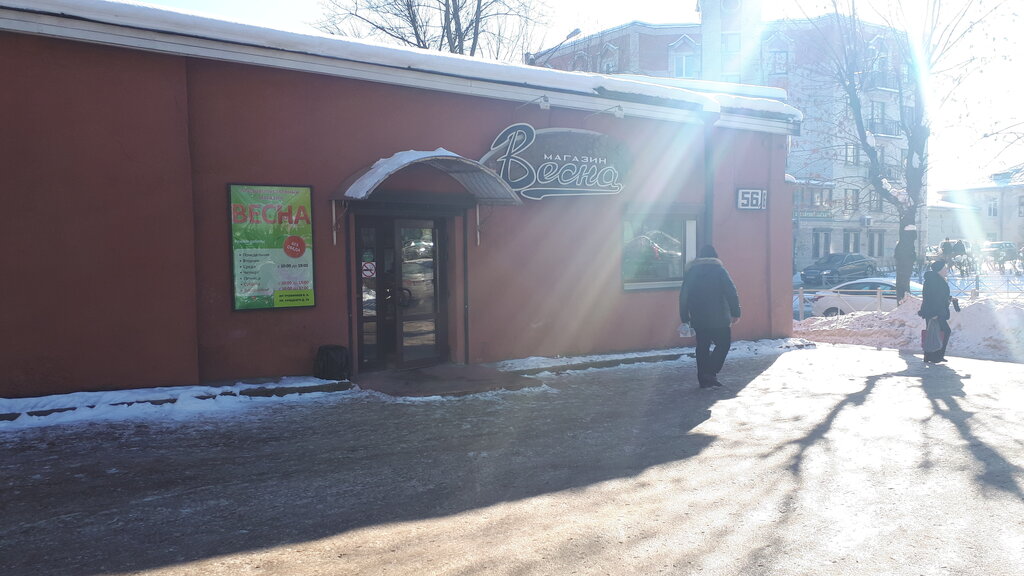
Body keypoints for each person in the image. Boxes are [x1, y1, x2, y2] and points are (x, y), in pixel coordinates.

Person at [679, 245, 741, 388]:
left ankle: (704, 379)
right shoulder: (720, 271)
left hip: (698, 318)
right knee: (723, 344)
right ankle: (711, 371)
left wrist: (684, 317)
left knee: (702, 347)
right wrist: (736, 312)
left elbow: (683, 296)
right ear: (715, 257)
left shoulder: (691, 272)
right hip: (719, 318)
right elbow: (731, 292)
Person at [918, 259, 956, 363]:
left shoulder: (937, 279)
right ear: (939, 270)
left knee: (932, 333)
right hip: (935, 312)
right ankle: (936, 356)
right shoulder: (935, 281)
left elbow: (940, 296)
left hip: (935, 311)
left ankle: (930, 356)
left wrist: (949, 299)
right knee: (944, 331)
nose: (947, 270)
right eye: (945, 268)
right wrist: (934, 313)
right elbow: (932, 298)